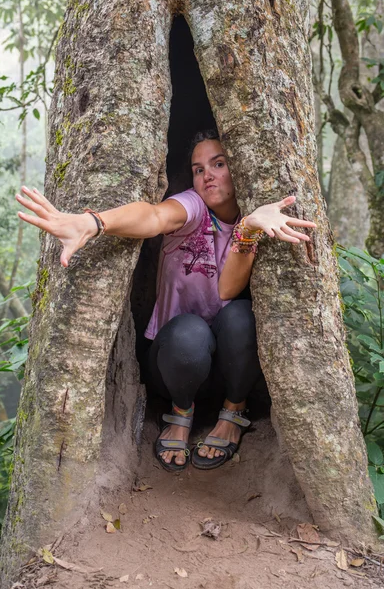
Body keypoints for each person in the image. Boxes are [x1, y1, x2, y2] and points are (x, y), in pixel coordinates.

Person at [16, 129, 316, 472]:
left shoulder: (252, 219)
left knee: (241, 317)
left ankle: (233, 411)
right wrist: (94, 223)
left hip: (230, 371)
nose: (207, 176)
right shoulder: (192, 206)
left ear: (239, 170)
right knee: (190, 331)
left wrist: (247, 229)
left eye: (218, 164)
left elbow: (226, 293)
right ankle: (180, 413)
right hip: (174, 364)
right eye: (198, 169)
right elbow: (155, 216)